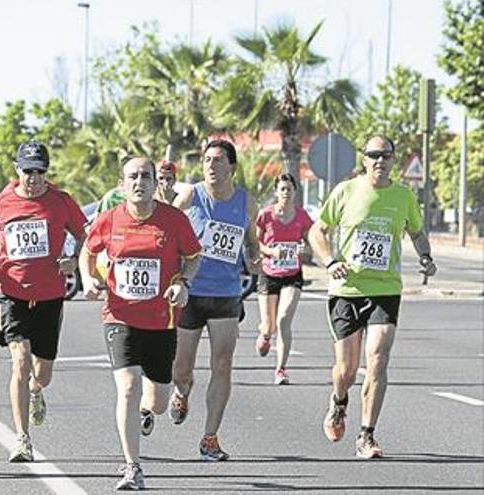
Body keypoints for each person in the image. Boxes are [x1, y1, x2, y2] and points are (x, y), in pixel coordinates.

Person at [309, 135, 437, 458]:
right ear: (364, 159)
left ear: (394, 160)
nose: (380, 160)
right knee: (347, 369)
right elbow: (317, 231)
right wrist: (330, 260)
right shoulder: (346, 191)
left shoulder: (403, 197)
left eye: (386, 155)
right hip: (347, 290)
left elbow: (417, 233)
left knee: (378, 357)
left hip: (385, 289)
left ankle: (366, 435)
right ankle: (339, 402)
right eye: (374, 155)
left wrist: (426, 257)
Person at [80, 157, 202, 490]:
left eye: (145, 176)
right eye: (132, 177)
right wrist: (87, 279)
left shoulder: (174, 220)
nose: (139, 182)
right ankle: (132, 467)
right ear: (123, 184)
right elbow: (87, 252)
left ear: (154, 182)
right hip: (119, 316)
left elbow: (193, 256)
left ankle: (147, 413)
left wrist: (183, 284)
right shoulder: (109, 220)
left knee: (159, 401)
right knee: (129, 386)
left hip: (162, 322)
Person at [0, 141, 88, 463]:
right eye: (28, 171)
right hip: (12, 291)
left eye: (40, 171)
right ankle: (22, 439)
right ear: (17, 169)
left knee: (43, 373)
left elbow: (85, 235)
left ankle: (36, 392)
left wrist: (72, 259)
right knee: (20, 362)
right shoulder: (1, 203)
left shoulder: (61, 202)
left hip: (50, 293)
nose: (34, 178)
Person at [168, 139, 260, 461]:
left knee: (222, 363)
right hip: (190, 291)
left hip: (226, 293)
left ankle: (210, 437)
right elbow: (166, 227)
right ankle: (181, 392)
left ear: (231, 167)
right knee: (182, 368)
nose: (210, 165)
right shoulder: (190, 196)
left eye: (218, 160)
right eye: (207, 159)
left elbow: (251, 242)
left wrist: (255, 259)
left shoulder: (246, 202)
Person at [254, 173, 314, 385]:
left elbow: (311, 240)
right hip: (269, 273)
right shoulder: (265, 215)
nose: (286, 193)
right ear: (276, 192)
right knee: (269, 324)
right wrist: (271, 251)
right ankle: (265, 334)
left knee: (284, 319)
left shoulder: (302, 216)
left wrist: (303, 248)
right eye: (282, 189)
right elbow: (256, 243)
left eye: (290, 189)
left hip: (292, 274)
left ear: (295, 192)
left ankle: (281, 369)